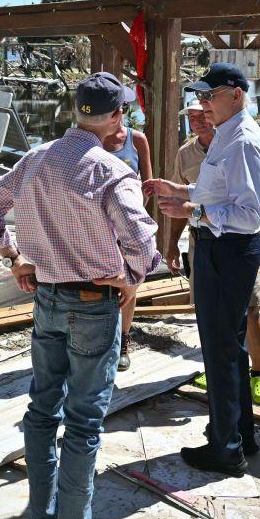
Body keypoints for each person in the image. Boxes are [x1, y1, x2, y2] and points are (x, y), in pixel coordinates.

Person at [0, 72, 159, 519]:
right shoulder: (110, 171)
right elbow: (142, 243)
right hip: (93, 306)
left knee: (41, 410)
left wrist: (14, 258)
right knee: (83, 422)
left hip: (47, 301)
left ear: (78, 111)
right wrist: (132, 276)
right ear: (116, 114)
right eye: (124, 114)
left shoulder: (34, 159)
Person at [144, 62, 260, 478]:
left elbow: (248, 213)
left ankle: (225, 449)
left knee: (220, 351)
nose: (203, 104)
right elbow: (217, 190)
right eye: (200, 97)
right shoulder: (226, 136)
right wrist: (179, 189)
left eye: (210, 96)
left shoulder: (244, 141)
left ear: (235, 94)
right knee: (227, 349)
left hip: (229, 250)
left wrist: (192, 209)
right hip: (219, 248)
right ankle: (238, 434)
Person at [167, 102, 260, 406]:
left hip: (240, 242)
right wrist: (172, 242)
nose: (198, 121)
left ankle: (257, 372)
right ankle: (217, 370)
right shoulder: (185, 154)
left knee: (251, 307)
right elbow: (186, 202)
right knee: (210, 313)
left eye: (202, 115)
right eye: (191, 117)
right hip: (203, 241)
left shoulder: (239, 144)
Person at [101, 86, 152, 372]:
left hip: (127, 226)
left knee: (129, 281)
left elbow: (148, 183)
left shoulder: (137, 139)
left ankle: (124, 339)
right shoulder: (91, 139)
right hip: (96, 227)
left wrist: (130, 215)